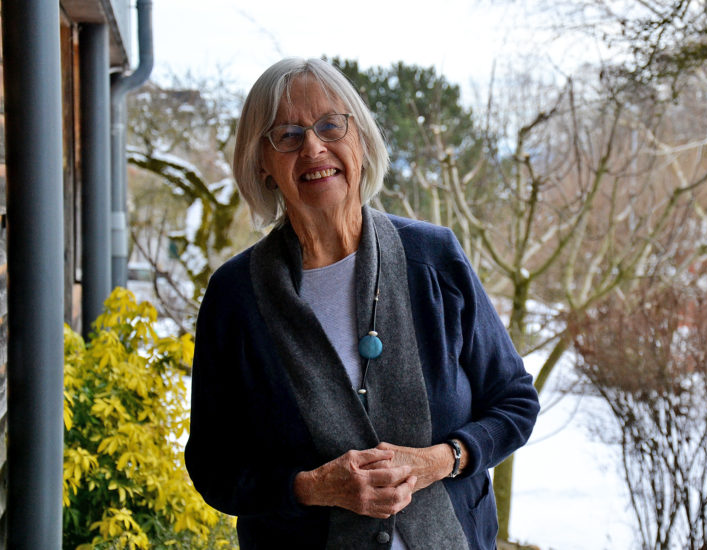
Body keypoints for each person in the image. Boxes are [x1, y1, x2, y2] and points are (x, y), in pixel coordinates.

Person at [184, 57, 540, 550]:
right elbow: (213, 467)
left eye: (331, 125)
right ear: (262, 164)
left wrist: (440, 460)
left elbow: (515, 401)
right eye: (286, 134)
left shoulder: (434, 260)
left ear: (361, 141)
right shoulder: (236, 296)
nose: (313, 146)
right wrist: (311, 488)